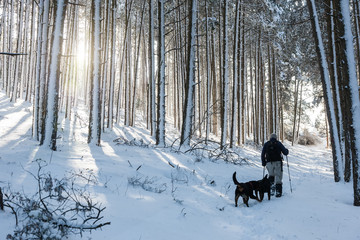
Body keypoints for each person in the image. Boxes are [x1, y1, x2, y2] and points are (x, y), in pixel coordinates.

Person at [261, 133, 289, 197]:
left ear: (270, 138)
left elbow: (263, 154)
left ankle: (271, 190)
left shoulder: (266, 144)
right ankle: (278, 192)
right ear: (276, 138)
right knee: (278, 176)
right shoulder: (278, 143)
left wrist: (263, 162)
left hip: (269, 163)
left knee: (271, 175)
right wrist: (287, 151)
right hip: (278, 163)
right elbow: (285, 152)